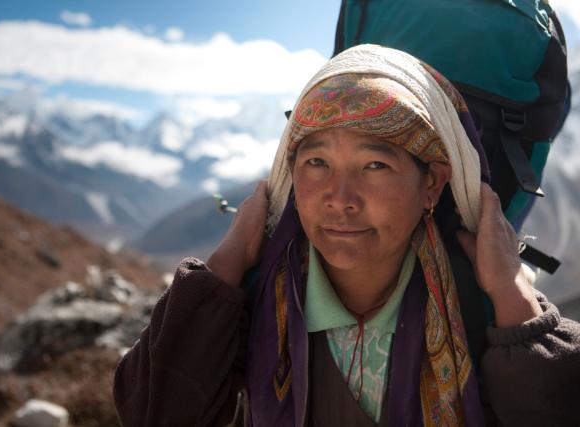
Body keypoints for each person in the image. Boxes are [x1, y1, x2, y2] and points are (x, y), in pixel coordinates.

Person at [113, 44, 580, 426]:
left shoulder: (478, 311)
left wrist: (510, 294)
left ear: (432, 184)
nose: (340, 198)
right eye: (316, 162)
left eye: (375, 165)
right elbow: (151, 412)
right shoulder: (257, 304)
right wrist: (227, 262)